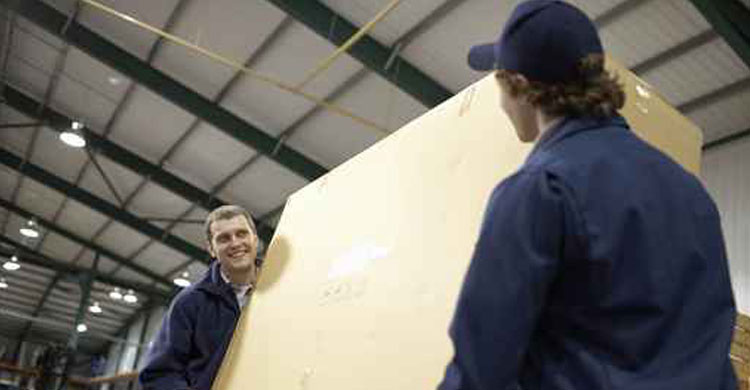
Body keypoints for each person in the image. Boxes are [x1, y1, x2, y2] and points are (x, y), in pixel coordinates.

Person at [438, 1, 737, 389]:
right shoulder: (690, 192)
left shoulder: (540, 189)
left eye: (499, 85)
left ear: (522, 89)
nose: (501, 104)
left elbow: (479, 369)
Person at [139, 205, 261, 390]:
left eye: (241, 234)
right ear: (212, 249)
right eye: (224, 238)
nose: (235, 243)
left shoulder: (284, 289)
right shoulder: (189, 302)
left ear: (256, 239)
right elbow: (159, 374)